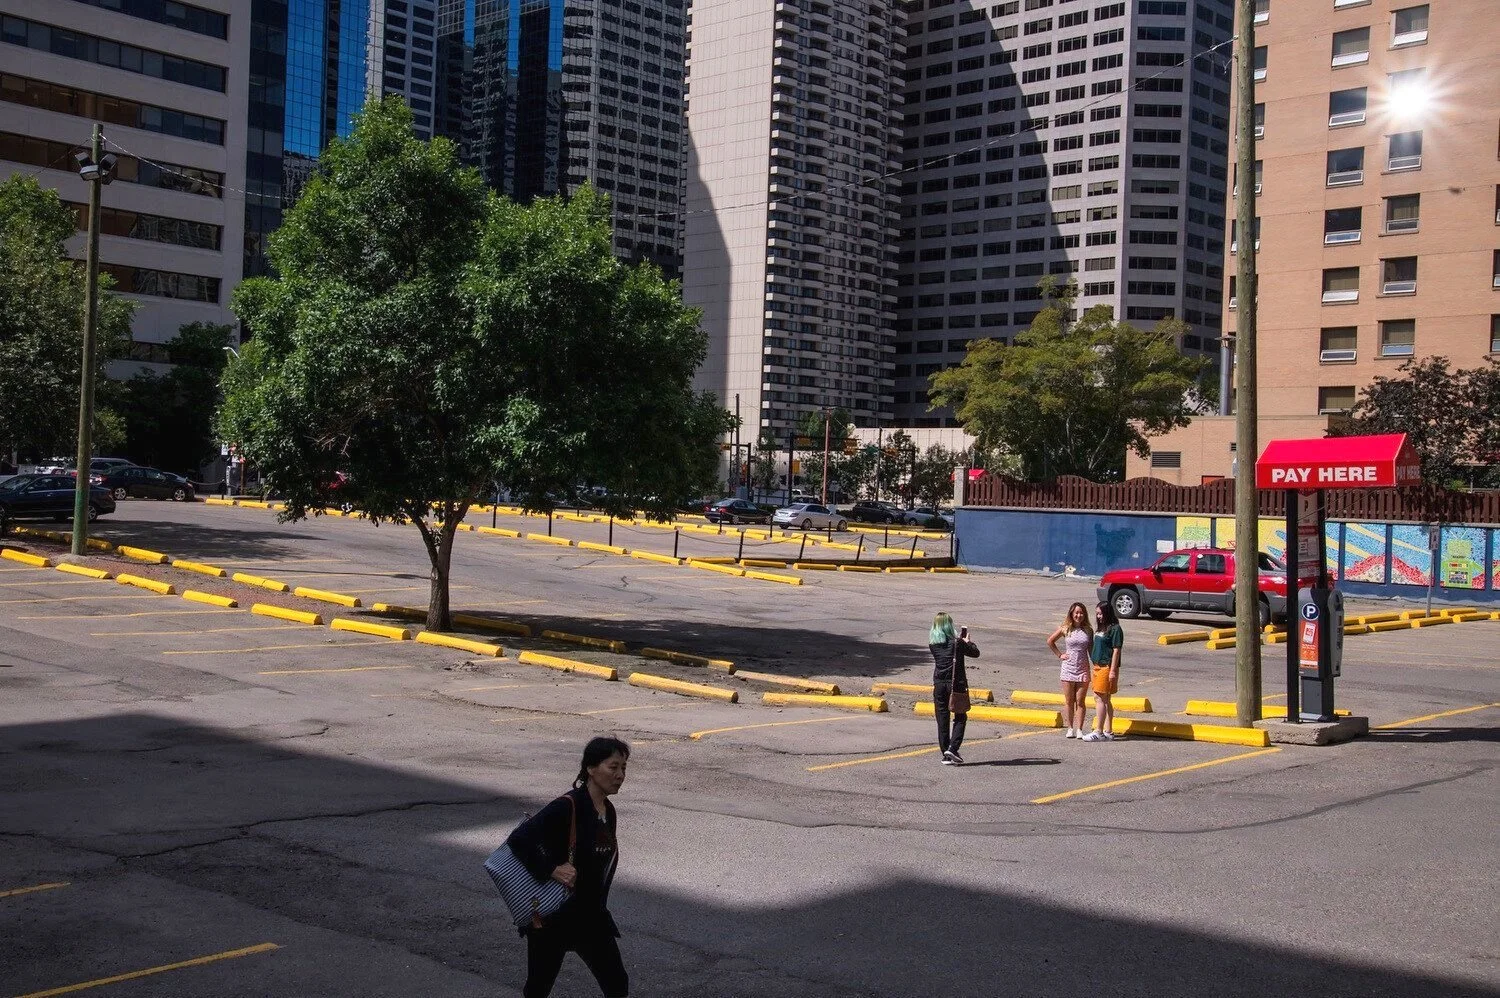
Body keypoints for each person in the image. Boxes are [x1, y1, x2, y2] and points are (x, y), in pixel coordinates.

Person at [506, 736, 631, 998]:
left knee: (617, 984)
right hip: (554, 916)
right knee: (539, 987)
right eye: (613, 767)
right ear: (591, 768)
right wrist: (552, 868)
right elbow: (519, 840)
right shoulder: (567, 805)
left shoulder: (608, 810)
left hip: (591, 917)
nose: (620, 775)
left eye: (624, 768)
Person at [928, 611, 980, 765]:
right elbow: (975, 653)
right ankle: (953, 748)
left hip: (939, 684)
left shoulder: (933, 644)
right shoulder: (957, 643)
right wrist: (968, 641)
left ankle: (945, 753)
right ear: (948, 626)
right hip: (955, 683)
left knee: (942, 718)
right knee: (960, 716)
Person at [1046, 601, 1094, 738]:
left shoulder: (1088, 630)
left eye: (1081, 612)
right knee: (1069, 701)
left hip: (1083, 667)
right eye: (1076, 613)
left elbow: (1091, 649)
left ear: (1084, 614)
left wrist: (1096, 664)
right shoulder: (1065, 628)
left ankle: (1079, 729)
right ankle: (1070, 728)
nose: (1079, 615)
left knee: (1080, 701)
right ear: (1072, 614)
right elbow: (1050, 641)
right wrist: (1060, 655)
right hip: (1068, 667)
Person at [1083, 601, 1124, 742]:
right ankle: (1108, 730)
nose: (1098, 617)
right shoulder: (1101, 628)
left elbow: (1116, 650)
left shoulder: (1115, 629)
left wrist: (1112, 670)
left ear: (1107, 613)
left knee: (1099, 697)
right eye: (1097, 614)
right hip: (1097, 665)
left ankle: (1099, 731)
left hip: (1106, 666)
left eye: (1100, 613)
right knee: (1106, 699)